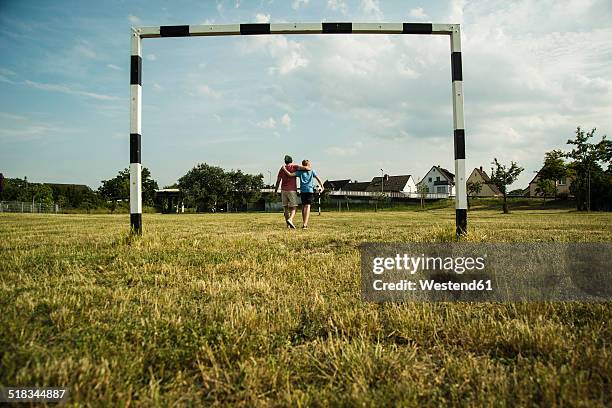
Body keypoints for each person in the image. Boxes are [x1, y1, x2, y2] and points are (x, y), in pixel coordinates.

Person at [283, 159, 324, 229]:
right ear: (308, 165)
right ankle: (305, 225)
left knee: (303, 206)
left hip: (302, 191)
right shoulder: (312, 171)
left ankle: (304, 223)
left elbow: (290, 175)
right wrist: (322, 186)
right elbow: (318, 179)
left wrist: (284, 169)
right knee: (307, 207)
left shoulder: (300, 172)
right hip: (309, 190)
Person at [274, 155, 310, 229]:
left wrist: (275, 191)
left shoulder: (282, 169)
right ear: (291, 160)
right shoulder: (294, 167)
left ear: (285, 161)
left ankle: (288, 225)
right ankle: (290, 219)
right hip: (292, 190)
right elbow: (306, 168)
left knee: (285, 208)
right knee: (294, 207)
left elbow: (278, 181)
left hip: (283, 190)